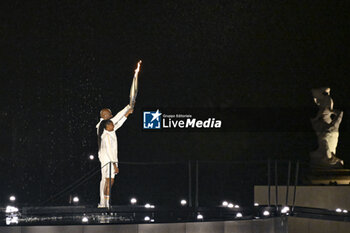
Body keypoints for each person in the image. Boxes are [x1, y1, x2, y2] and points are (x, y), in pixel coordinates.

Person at [97, 105, 133, 208]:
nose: (112, 115)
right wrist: (128, 107)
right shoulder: (102, 126)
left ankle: (103, 203)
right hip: (108, 158)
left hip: (108, 158)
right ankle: (106, 204)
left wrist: (127, 114)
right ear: (105, 116)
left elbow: (118, 123)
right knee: (108, 181)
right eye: (110, 114)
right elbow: (117, 118)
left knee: (105, 181)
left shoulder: (107, 127)